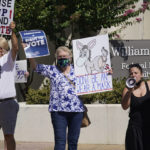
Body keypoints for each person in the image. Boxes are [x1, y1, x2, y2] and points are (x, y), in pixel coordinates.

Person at [28, 46, 84, 150]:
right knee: (60, 142)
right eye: (60, 57)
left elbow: (95, 76)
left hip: (76, 111)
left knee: (73, 142)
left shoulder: (79, 70)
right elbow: (36, 67)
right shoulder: (52, 70)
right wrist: (29, 52)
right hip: (58, 112)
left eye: (65, 56)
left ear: (70, 57)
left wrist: (108, 73)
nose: (62, 58)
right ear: (56, 58)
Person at [121, 63, 150, 150]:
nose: (133, 75)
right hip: (134, 129)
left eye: (136, 73)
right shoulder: (127, 89)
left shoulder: (148, 85)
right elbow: (125, 106)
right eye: (131, 73)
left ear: (141, 74)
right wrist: (129, 91)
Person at [0, 22, 19, 150]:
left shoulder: (8, 59)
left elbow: (16, 48)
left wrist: (12, 31)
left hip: (7, 103)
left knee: (8, 135)